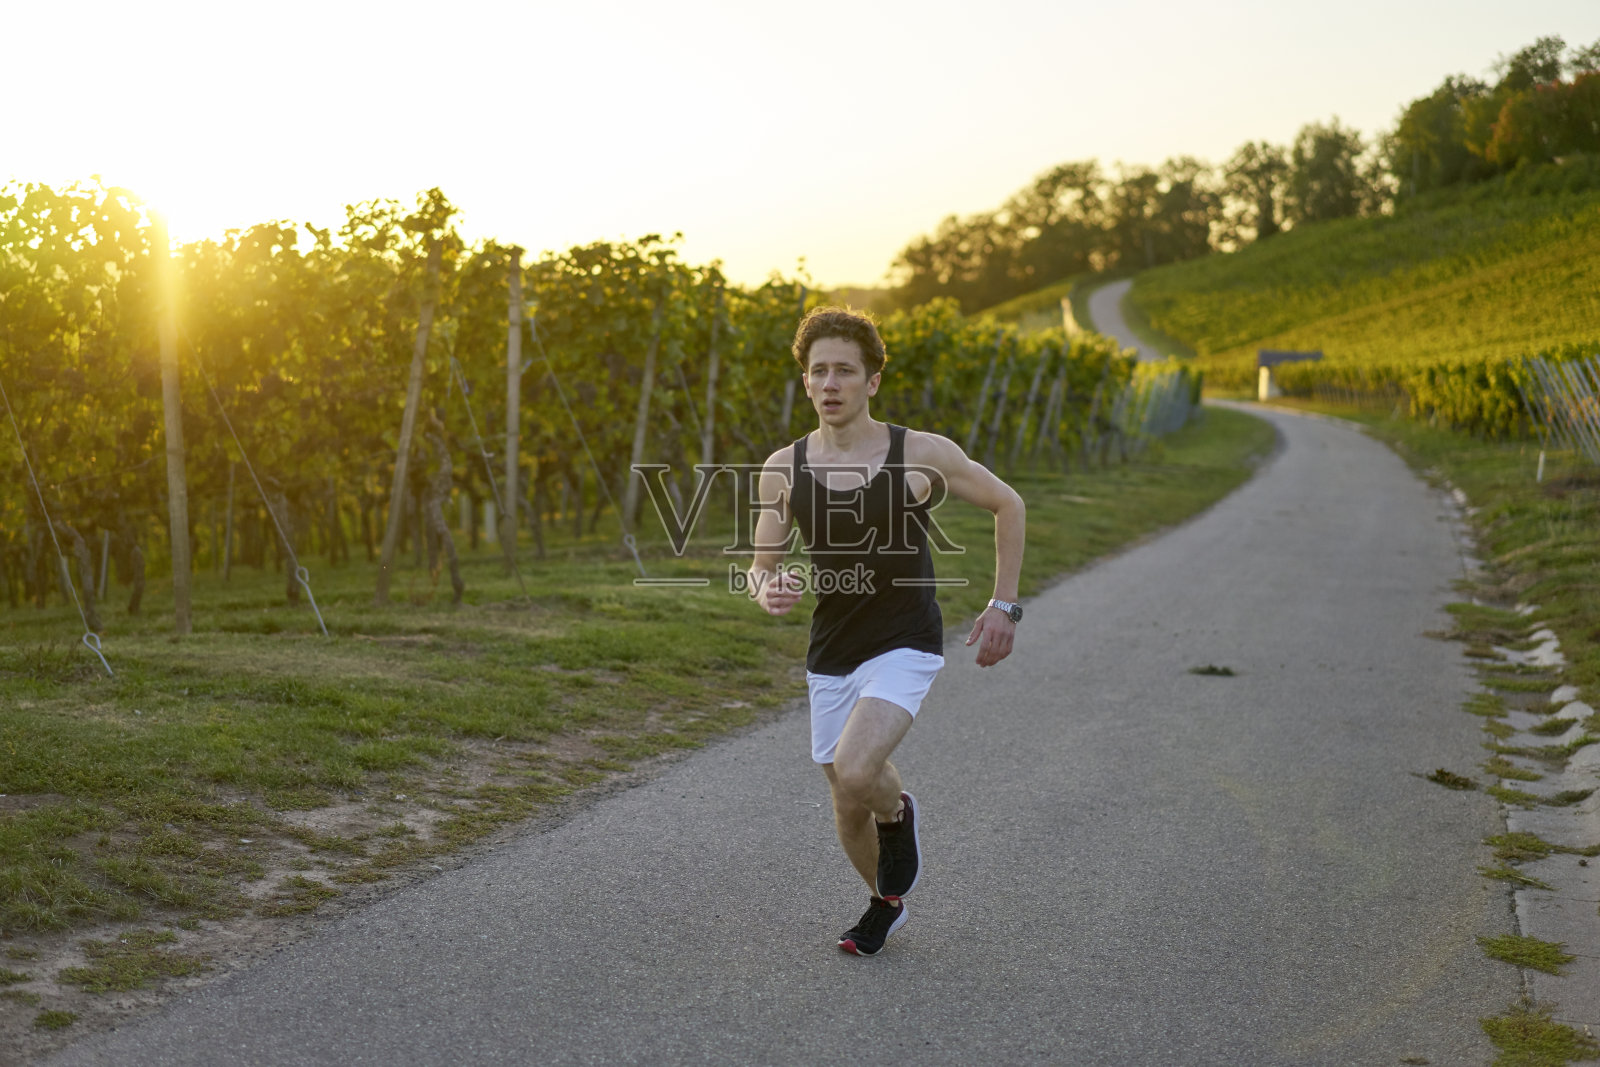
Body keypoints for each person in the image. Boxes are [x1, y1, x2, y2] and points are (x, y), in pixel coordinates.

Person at [747, 306, 1026, 956]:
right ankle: (884, 901)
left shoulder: (919, 453)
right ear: (806, 382)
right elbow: (761, 568)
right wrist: (770, 589)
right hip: (831, 649)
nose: (830, 383)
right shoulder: (782, 467)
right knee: (846, 800)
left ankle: (897, 814)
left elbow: (1007, 503)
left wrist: (1003, 604)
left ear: (873, 380)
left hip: (905, 638)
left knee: (856, 769)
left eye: (845, 369)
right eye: (818, 371)